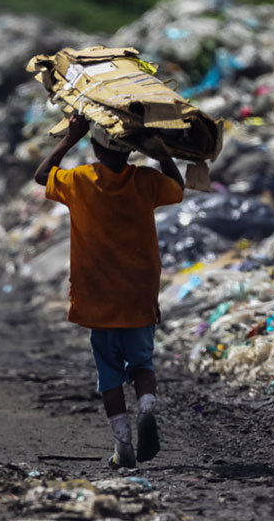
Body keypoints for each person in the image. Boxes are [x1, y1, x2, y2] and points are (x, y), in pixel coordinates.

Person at [34, 115, 184, 468]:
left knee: (109, 373)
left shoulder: (80, 180)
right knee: (142, 363)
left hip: (97, 294)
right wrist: (161, 154)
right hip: (139, 291)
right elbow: (177, 188)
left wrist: (70, 137)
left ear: (95, 146)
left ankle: (123, 447)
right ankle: (146, 405)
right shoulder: (146, 181)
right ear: (132, 151)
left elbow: (42, 175)